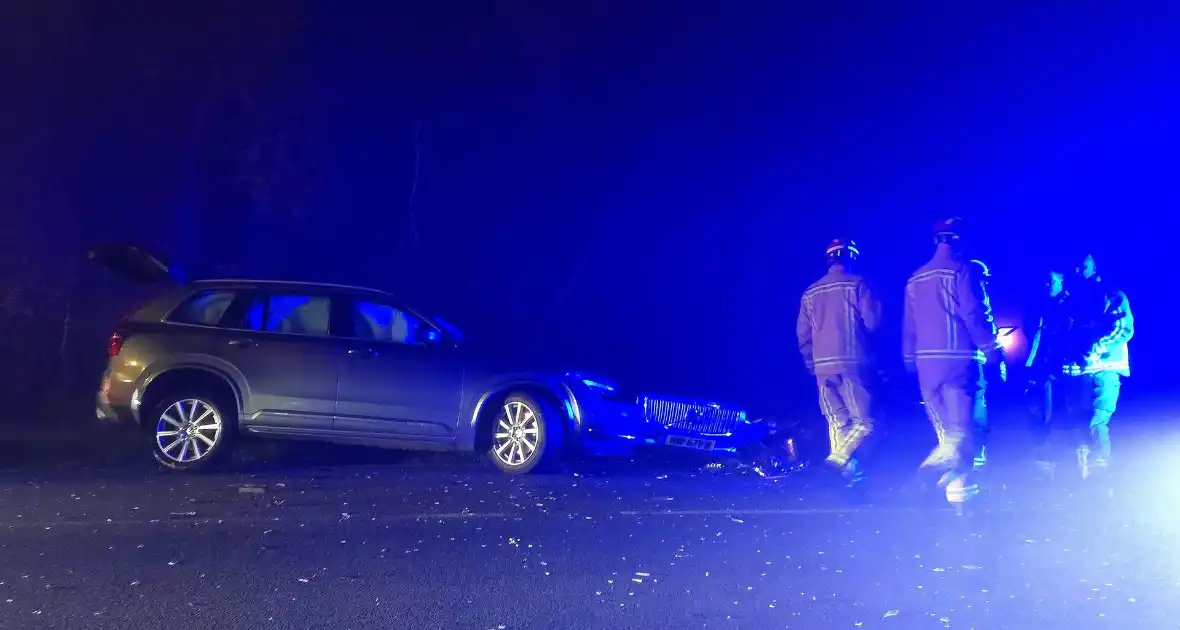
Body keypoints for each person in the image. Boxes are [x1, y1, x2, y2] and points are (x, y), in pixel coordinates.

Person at [902, 217, 1005, 506]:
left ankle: (954, 500)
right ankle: (939, 480)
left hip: (926, 367)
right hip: (960, 361)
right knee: (968, 431)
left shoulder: (915, 278)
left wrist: (910, 359)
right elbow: (975, 315)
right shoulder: (964, 270)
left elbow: (909, 326)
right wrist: (994, 350)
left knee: (949, 434)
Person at [796, 238, 882, 488]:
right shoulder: (858, 284)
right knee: (866, 422)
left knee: (837, 422)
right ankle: (836, 461)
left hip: (822, 367)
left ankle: (847, 482)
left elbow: (803, 333)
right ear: (852, 257)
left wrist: (809, 360)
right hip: (853, 363)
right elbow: (873, 322)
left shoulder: (810, 292)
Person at [1061, 253, 1133, 478]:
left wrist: (1095, 348)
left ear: (1094, 267)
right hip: (1080, 372)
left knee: (1096, 421)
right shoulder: (1071, 298)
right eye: (1075, 265)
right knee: (1078, 423)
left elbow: (1123, 328)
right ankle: (1083, 475)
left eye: (1084, 265)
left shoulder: (1112, 295)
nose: (1078, 270)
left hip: (1105, 369)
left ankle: (1099, 476)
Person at [1024, 268, 1071, 473]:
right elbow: (1037, 335)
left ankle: (1056, 453)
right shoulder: (1043, 304)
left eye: (1051, 280)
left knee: (1059, 407)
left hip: (1060, 365)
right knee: (1039, 405)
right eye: (1046, 281)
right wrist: (1030, 363)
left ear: (1062, 281)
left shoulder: (1068, 304)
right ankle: (1043, 448)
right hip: (1042, 364)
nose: (1047, 284)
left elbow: (1067, 335)